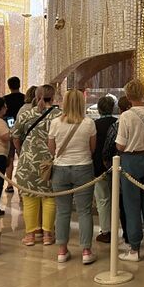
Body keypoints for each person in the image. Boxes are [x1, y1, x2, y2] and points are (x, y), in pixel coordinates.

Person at [49, 89, 97, 265]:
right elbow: (92, 148)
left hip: (60, 169)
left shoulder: (55, 123)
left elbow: (51, 148)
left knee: (62, 211)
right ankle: (86, 251)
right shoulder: (89, 123)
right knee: (84, 211)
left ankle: (62, 250)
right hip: (83, 167)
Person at [116, 79, 144, 262]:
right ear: (143, 93)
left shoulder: (126, 115)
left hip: (132, 160)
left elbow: (121, 145)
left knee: (131, 205)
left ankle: (134, 249)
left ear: (128, 96)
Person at [12, 84, 61, 247]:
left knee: (29, 198)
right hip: (50, 161)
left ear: (36, 96)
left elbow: (15, 136)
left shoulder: (26, 114)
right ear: (52, 97)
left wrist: (21, 151)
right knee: (49, 197)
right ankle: (47, 234)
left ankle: (30, 235)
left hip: (28, 161)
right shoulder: (59, 115)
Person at [93, 96, 117, 243]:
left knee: (102, 199)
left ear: (99, 109)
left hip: (99, 167)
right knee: (117, 198)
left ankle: (106, 230)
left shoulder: (94, 125)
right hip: (117, 166)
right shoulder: (117, 123)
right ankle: (117, 228)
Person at [3, 77, 26, 193]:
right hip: (23, 132)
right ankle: (23, 184)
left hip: (9, 131)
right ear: (19, 85)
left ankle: (9, 185)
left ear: (9, 86)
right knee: (22, 157)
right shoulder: (25, 98)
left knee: (10, 159)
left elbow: (3, 115)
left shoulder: (5, 99)